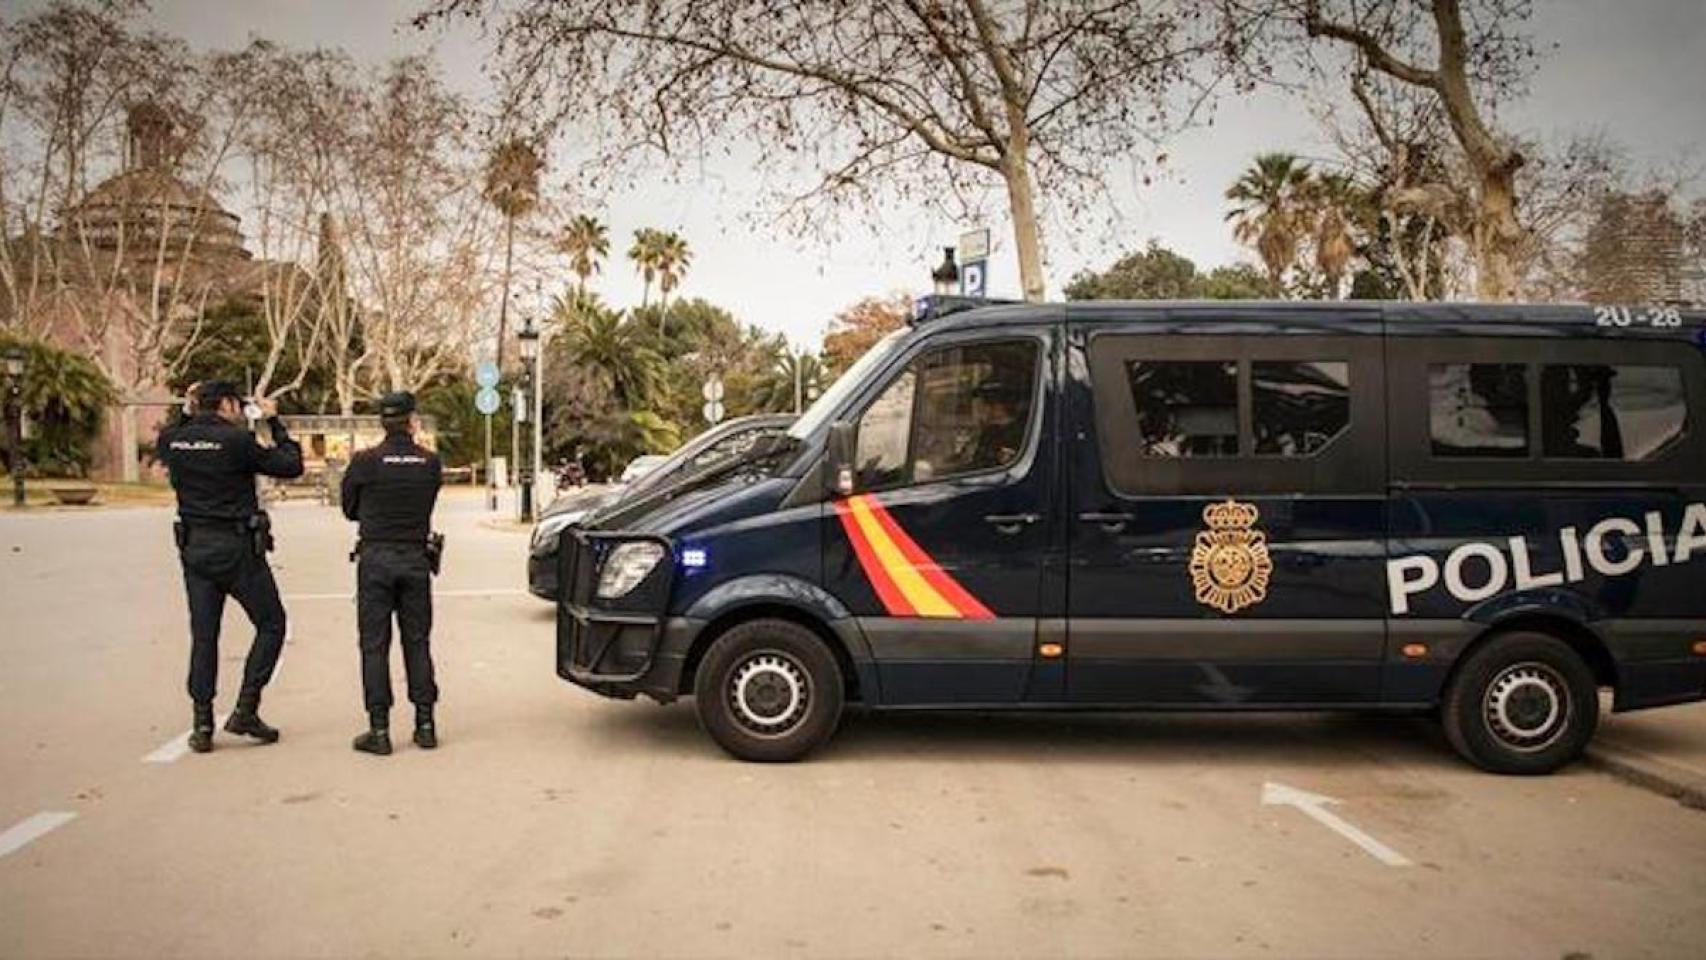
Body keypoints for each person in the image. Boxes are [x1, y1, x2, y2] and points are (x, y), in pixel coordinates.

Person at [158, 380, 303, 753]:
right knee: (272, 623)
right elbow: (290, 465)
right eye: (237, 404)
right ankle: (246, 707)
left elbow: (171, 434)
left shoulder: (173, 440)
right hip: (237, 547)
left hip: (195, 547)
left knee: (204, 635)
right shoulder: (237, 441)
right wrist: (274, 422)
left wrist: (186, 411)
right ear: (225, 404)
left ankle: (202, 722)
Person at [341, 391, 443, 755]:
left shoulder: (365, 461)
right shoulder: (429, 462)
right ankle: (425, 724)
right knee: (417, 641)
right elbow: (428, 501)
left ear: (382, 422)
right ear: (412, 421)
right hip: (415, 557)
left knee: (374, 645)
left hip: (376, 557)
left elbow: (349, 509)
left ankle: (379, 729)